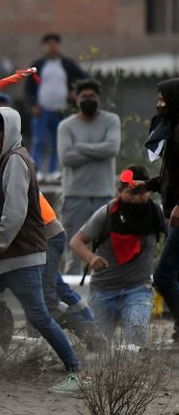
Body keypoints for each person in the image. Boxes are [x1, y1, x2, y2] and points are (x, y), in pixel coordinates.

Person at [0, 107, 83, 394]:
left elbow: (13, 214)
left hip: (18, 256)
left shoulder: (16, 162)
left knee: (39, 317)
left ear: (10, 130)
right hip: (2, 253)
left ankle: (76, 371)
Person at [69, 166, 163, 347]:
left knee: (135, 345)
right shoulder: (105, 214)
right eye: (131, 193)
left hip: (138, 290)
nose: (136, 198)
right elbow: (76, 242)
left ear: (149, 192)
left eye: (142, 192)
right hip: (104, 291)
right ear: (119, 191)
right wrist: (91, 258)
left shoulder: (156, 213)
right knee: (98, 351)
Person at [57, 79, 120, 273]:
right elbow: (66, 157)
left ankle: (105, 295)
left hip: (105, 195)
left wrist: (81, 146)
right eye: (84, 96)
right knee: (73, 255)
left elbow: (112, 148)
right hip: (75, 196)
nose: (88, 100)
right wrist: (98, 150)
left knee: (107, 251)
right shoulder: (66, 126)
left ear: (99, 98)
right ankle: (73, 302)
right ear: (76, 99)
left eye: (92, 96)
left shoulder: (111, 120)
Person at [26, 33, 88, 180]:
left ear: (58, 46)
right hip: (42, 110)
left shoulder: (67, 64)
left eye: (54, 44)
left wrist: (76, 91)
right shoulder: (39, 65)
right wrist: (32, 104)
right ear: (45, 47)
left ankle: (54, 171)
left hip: (61, 110)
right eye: (49, 44)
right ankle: (37, 170)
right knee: (39, 141)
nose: (52, 47)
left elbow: (84, 77)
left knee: (57, 141)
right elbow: (28, 88)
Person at [147, 78, 179, 344]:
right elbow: (172, 175)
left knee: (164, 275)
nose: (159, 105)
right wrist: (149, 184)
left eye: (163, 99)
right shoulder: (172, 128)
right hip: (173, 213)